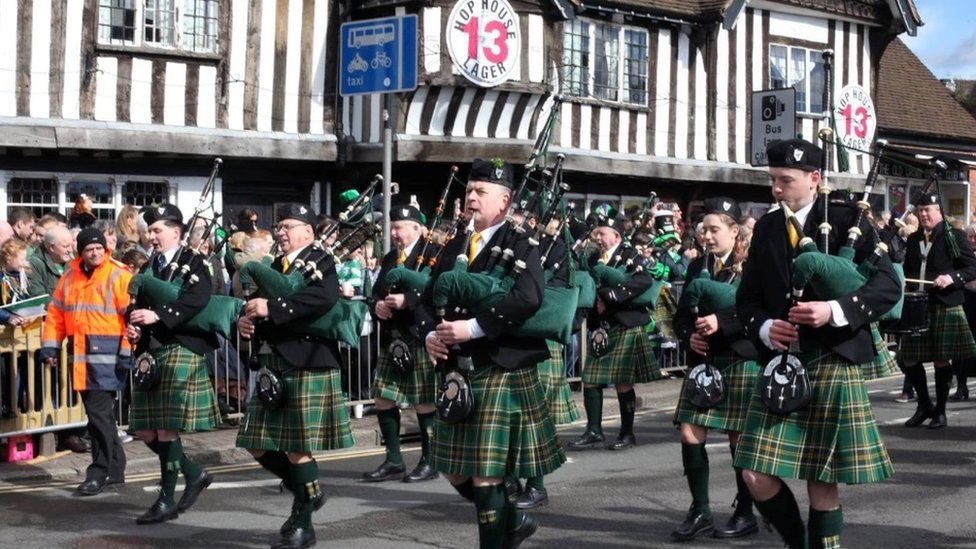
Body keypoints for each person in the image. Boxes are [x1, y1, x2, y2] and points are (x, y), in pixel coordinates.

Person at [735, 138, 899, 549]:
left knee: (820, 479)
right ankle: (798, 542)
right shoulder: (769, 227)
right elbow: (748, 297)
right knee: (754, 473)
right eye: (772, 180)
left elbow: (887, 287)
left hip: (831, 357)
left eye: (784, 181)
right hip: (783, 362)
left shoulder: (846, 219)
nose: (776, 189)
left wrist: (834, 310)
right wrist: (765, 326)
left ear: (814, 178)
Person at [420, 158, 565, 548]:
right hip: (458, 371)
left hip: (499, 365)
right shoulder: (454, 244)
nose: (470, 197)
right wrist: (430, 334)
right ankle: (513, 519)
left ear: (503, 201)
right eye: (469, 190)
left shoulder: (518, 243)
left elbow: (529, 297)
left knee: (487, 474)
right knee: (453, 469)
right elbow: (429, 297)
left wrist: (473, 328)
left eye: (480, 191)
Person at [237, 203, 354, 549]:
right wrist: (247, 322)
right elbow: (256, 305)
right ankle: (311, 491)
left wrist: (271, 308)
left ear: (308, 231)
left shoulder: (321, 260)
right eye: (280, 226)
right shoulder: (276, 265)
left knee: (296, 449)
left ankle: (304, 522)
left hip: (308, 360)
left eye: (289, 226)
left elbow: (323, 298)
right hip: (274, 362)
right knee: (256, 444)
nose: (281, 232)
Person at [125, 204, 221, 525]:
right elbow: (137, 304)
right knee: (145, 431)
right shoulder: (150, 265)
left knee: (166, 429)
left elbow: (198, 299)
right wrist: (134, 324)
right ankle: (193, 473)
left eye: (157, 231)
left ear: (176, 232)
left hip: (181, 346)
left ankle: (165, 500)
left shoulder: (194, 262)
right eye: (149, 231)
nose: (150, 236)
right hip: (151, 351)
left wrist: (159, 316)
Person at [670, 198, 759, 541]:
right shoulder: (696, 267)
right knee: (690, 432)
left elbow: (761, 313)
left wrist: (721, 320)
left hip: (739, 358)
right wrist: (688, 335)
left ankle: (745, 511)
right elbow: (681, 315)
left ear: (734, 231)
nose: (705, 236)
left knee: (739, 438)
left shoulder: (751, 266)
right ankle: (701, 510)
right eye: (701, 229)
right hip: (704, 362)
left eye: (713, 229)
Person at [40, 228, 132, 496]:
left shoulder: (118, 274)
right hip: (80, 356)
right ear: (80, 252)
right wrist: (50, 348)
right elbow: (56, 315)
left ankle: (99, 471)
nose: (95, 252)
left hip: (107, 356)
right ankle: (115, 468)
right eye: (89, 248)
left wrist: (126, 353)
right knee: (100, 416)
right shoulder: (69, 276)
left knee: (98, 416)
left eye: (98, 248)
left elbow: (130, 318)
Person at [569, 209, 663, 451]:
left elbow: (644, 281)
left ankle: (627, 433)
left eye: (602, 233)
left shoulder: (629, 255)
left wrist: (612, 295)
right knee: (590, 379)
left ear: (617, 236)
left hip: (625, 324)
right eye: (596, 234)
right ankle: (594, 431)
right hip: (602, 328)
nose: (597, 238)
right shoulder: (591, 260)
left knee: (623, 382)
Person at [363, 205, 440, 484]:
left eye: (399, 227)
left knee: (423, 402)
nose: (394, 233)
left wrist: (409, 299)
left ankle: (430, 460)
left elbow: (438, 290)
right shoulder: (389, 258)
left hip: (419, 336)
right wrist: (377, 306)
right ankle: (394, 460)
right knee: (383, 397)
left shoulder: (433, 255)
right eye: (392, 228)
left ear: (417, 228)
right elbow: (374, 293)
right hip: (393, 338)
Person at [899, 192, 976, 429]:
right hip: (918, 305)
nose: (923, 215)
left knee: (942, 360)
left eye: (928, 210)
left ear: (939, 212)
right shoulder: (912, 240)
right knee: (907, 359)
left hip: (944, 304)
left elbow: (972, 267)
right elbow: (909, 268)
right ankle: (924, 405)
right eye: (920, 211)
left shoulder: (954, 236)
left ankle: (940, 412)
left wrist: (952, 277)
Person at [27, 226, 73, 298]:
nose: (70, 250)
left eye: (71, 246)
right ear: (51, 247)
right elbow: (39, 297)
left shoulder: (72, 263)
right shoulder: (35, 264)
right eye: (65, 246)